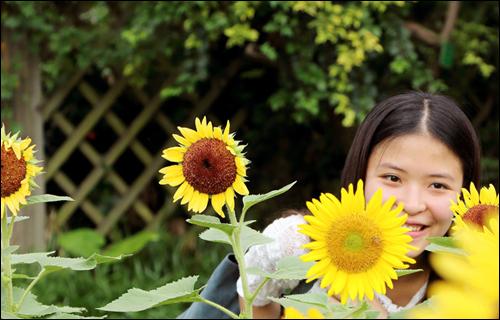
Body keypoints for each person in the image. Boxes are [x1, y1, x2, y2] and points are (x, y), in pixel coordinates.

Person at [236, 91, 481, 318]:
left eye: (438, 185)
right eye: (393, 178)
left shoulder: (479, 278)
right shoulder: (299, 243)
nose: (413, 205)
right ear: (361, 175)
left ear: (465, 191)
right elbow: (253, 295)